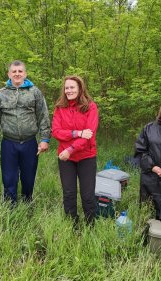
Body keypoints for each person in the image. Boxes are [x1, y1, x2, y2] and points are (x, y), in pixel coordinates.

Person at [0, 60, 51, 204]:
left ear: (25, 74)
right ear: (9, 74)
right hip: (8, 143)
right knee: (9, 178)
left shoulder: (34, 92)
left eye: (20, 71)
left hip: (29, 143)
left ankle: (27, 203)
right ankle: (10, 207)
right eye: (14, 72)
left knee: (28, 178)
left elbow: (43, 115)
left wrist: (44, 139)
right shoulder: (1, 94)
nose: (17, 74)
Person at [52, 76, 99, 224]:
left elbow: (89, 134)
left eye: (72, 87)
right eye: (67, 88)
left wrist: (71, 148)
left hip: (86, 156)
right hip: (66, 158)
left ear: (80, 89)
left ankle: (90, 225)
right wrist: (76, 133)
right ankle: (71, 224)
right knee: (69, 193)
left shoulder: (91, 106)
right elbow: (56, 132)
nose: (69, 90)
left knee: (87, 195)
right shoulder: (60, 107)